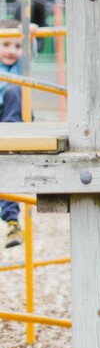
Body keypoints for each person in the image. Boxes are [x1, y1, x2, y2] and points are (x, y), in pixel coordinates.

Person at [0, 19, 25, 247]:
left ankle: (12, 220)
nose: (11, 51)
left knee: (14, 90)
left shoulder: (21, 68)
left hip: (14, 120)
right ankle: (12, 222)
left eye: (17, 46)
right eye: (5, 44)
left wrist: (31, 34)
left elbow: (31, 48)